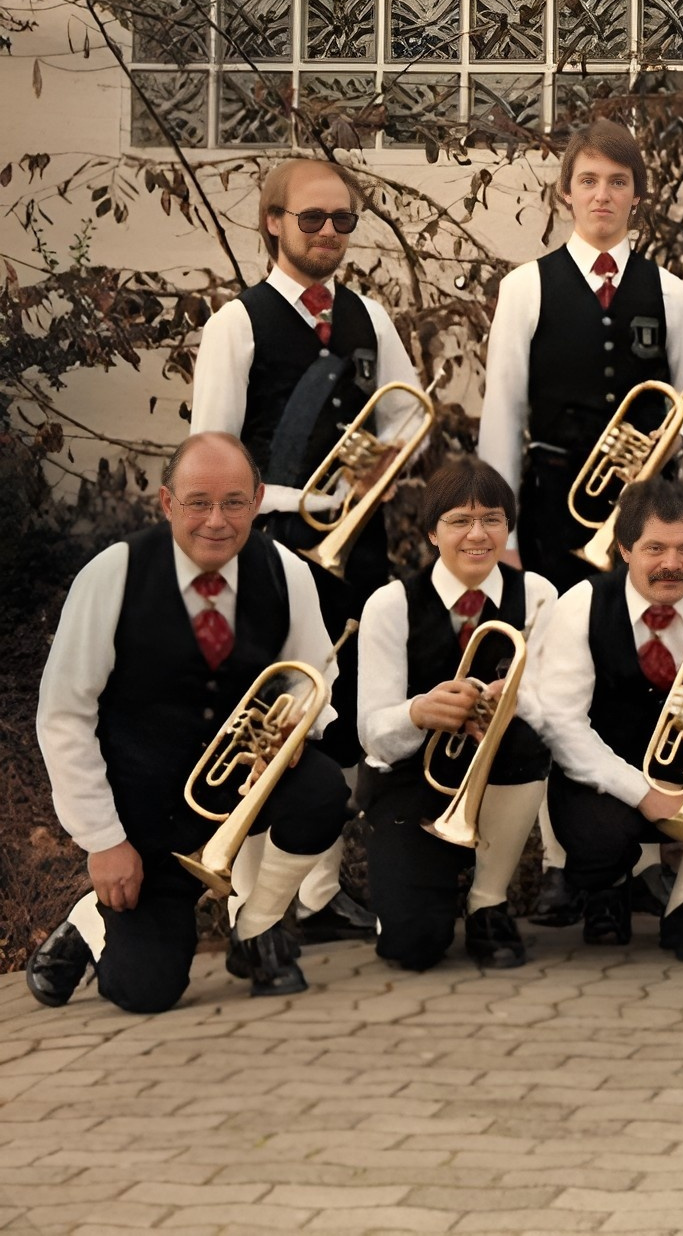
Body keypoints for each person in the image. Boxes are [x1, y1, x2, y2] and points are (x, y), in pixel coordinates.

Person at [28, 434, 351, 1009]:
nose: (216, 521)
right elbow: (63, 716)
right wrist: (104, 842)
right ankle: (90, 920)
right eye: (198, 502)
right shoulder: (113, 575)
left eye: (234, 502)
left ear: (257, 501)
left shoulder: (286, 572)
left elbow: (312, 675)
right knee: (144, 991)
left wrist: (298, 724)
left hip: (236, 787)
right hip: (143, 819)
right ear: (167, 503)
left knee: (322, 790)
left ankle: (257, 928)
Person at [187, 153, 420, 936]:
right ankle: (254, 902)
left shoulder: (369, 317)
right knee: (272, 708)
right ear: (273, 222)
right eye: (311, 217)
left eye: (342, 219)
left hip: (357, 534)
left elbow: (408, 415)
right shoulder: (237, 323)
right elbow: (213, 450)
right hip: (273, 537)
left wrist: (381, 464)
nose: (328, 231)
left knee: (343, 705)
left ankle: (319, 894)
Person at [519, 476, 683, 962]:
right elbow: (564, 725)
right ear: (624, 549)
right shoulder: (581, 605)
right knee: (599, 845)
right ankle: (610, 887)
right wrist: (644, 794)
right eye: (655, 548)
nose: (672, 564)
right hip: (606, 775)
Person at [478, 118, 683, 588]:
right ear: (567, 192)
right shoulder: (524, 288)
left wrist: (672, 443)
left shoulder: (671, 293)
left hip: (651, 516)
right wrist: (505, 538)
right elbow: (502, 421)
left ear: (636, 196)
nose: (602, 195)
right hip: (551, 510)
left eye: (618, 182)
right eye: (588, 181)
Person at [354, 458, 556, 972]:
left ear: (508, 527)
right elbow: (372, 733)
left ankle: (488, 901)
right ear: (431, 532)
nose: (478, 534)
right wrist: (418, 712)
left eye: (492, 519)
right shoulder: (390, 604)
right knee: (414, 946)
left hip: (499, 768)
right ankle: (418, 891)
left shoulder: (537, 594)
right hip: (411, 779)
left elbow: (556, 702)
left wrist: (514, 701)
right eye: (460, 521)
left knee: (527, 737)